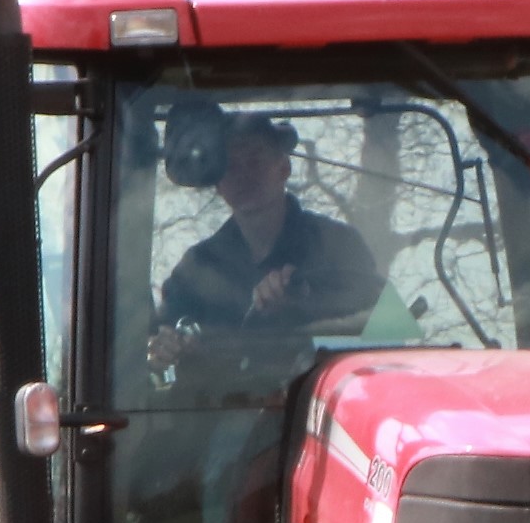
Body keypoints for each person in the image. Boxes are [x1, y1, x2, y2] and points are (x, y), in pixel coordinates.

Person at [147, 115, 385, 370]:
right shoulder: (197, 268)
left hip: (316, 390)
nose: (244, 175)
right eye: (230, 166)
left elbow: (385, 333)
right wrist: (162, 348)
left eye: (255, 161)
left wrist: (300, 304)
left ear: (284, 168)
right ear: (218, 183)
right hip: (219, 395)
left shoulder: (337, 245)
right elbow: (154, 346)